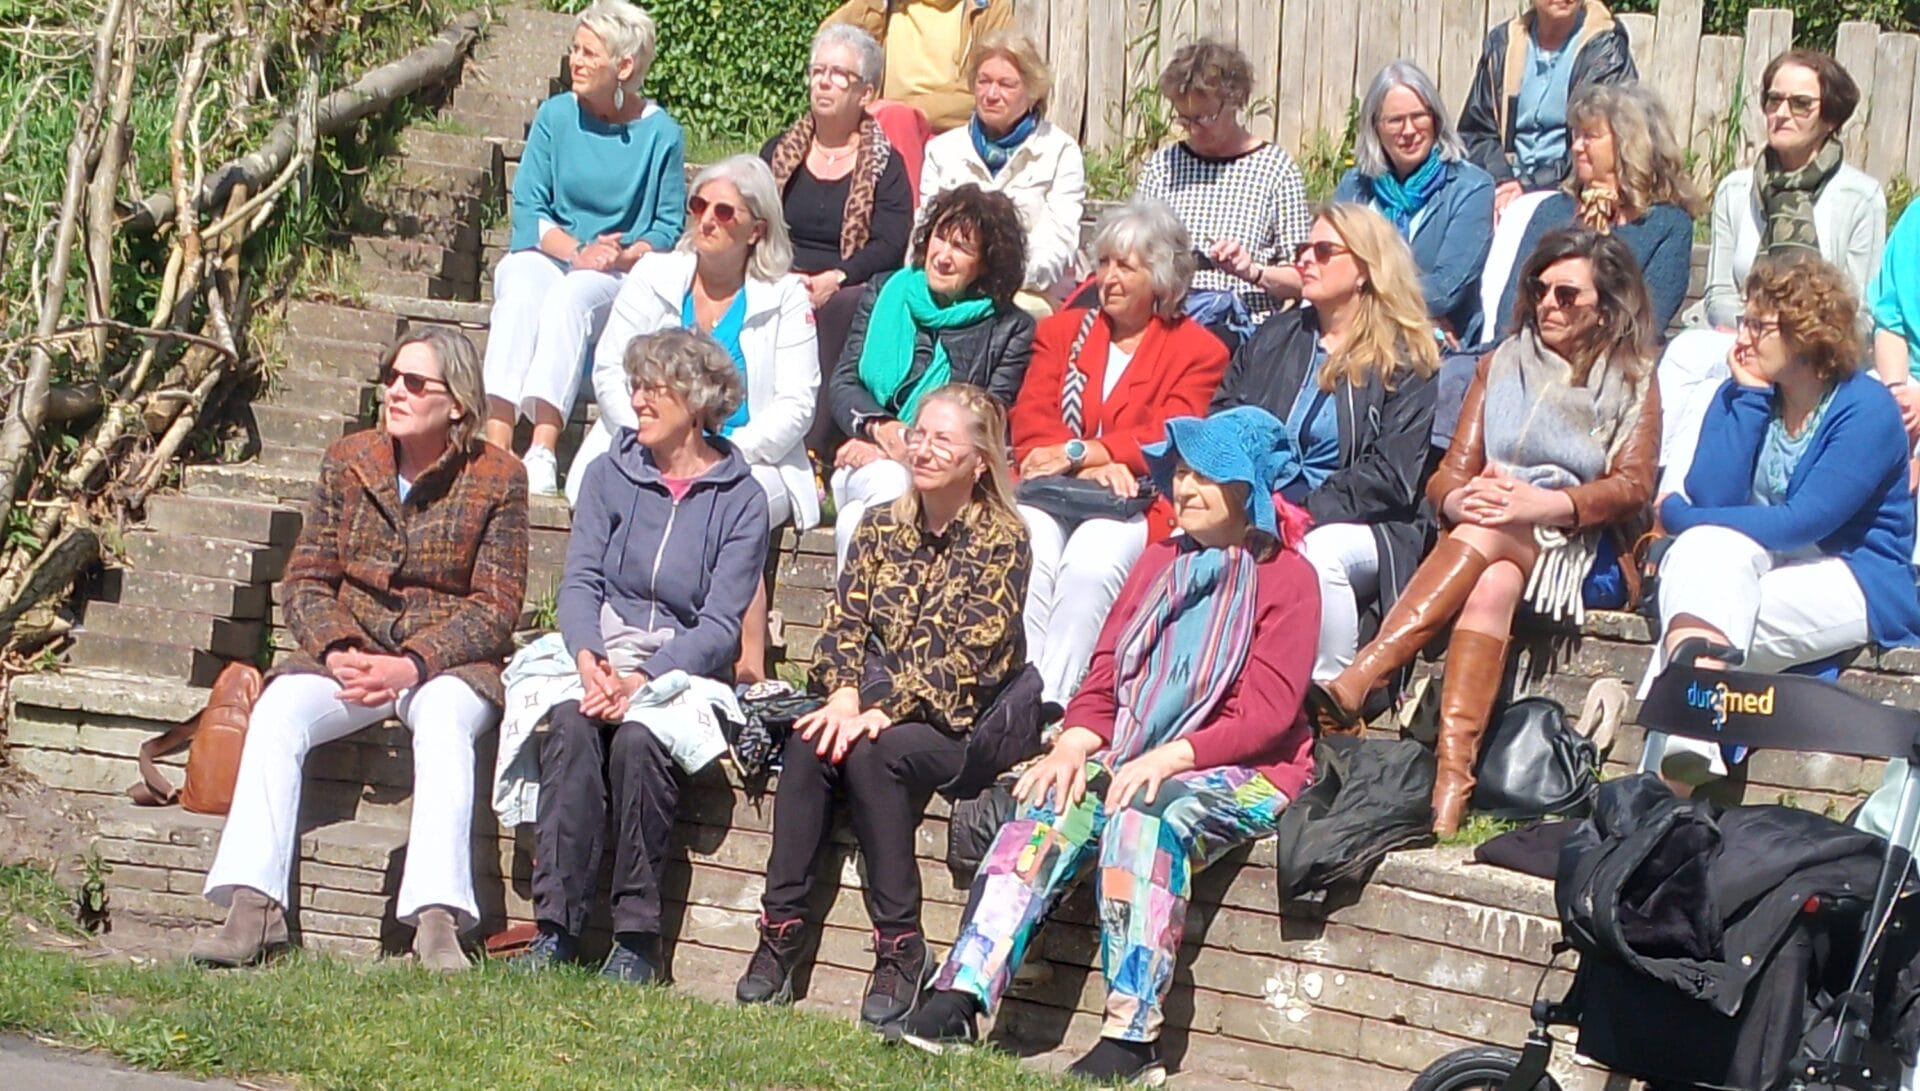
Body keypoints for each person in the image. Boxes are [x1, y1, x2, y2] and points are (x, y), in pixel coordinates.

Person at [898, 406, 1319, 1087]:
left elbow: (1267, 715)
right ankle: (961, 996)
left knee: (1143, 817)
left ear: (1249, 489)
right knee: (1048, 804)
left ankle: (1132, 1037)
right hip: (1135, 749)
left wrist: (1170, 756)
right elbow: (1104, 676)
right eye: (1180, 473)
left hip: (1245, 769)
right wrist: (1073, 743)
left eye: (1205, 476)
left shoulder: (1288, 578)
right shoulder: (1158, 560)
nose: (1184, 487)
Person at [192, 329, 529, 971]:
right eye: (391, 377)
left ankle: (437, 919)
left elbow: (496, 605)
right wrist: (337, 647)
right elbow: (306, 578)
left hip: (446, 662)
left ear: (457, 402)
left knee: (446, 721)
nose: (395, 391)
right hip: (353, 650)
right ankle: (252, 906)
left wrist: (414, 663)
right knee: (278, 711)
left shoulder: (498, 478)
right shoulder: (349, 459)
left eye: (415, 382)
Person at [1311, 228, 1661, 835]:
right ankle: (1451, 788)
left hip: (1582, 547)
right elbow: (1447, 476)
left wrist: (1546, 502)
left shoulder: (1632, 378)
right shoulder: (1501, 364)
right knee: (1494, 579)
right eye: (1539, 289)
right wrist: (1461, 495)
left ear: (1606, 307)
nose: (1548, 304)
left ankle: (1366, 674)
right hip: (1494, 537)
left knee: (1490, 529)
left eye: (1567, 295)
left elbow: (1632, 485)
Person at [736, 384, 1030, 1032]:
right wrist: (844, 691)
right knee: (813, 741)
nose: (922, 449)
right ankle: (780, 928)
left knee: (873, 752)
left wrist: (885, 708)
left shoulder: (1004, 539)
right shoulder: (879, 525)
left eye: (943, 440)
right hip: (868, 705)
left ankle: (901, 944)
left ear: (980, 461)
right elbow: (844, 624)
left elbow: (972, 658)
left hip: (959, 722)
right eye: (919, 434)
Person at [521, 328, 772, 983]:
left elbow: (721, 624)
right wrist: (589, 658)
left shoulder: (742, 499)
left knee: (638, 740)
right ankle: (556, 928)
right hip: (603, 653)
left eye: (654, 388)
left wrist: (642, 679)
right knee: (573, 726)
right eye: (636, 385)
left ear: (697, 399)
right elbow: (580, 581)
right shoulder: (607, 474)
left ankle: (636, 939)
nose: (638, 400)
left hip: (683, 670)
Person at [1643, 256, 1920, 786]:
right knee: (1705, 558)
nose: (1741, 336)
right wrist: (1748, 398)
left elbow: (1801, 524)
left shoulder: (1866, 409)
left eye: (1757, 324)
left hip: (1857, 574)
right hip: (1764, 559)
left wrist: (1679, 515)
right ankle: (1688, 753)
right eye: (1743, 321)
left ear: (1805, 333)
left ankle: (1668, 772)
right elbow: (1716, 494)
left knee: (1703, 610)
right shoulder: (1743, 391)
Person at [575, 155, 818, 681]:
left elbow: (798, 403)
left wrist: (718, 456)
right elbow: (611, 369)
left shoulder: (786, 296)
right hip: (644, 442)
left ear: (757, 229)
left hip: (753, 456)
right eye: (699, 205)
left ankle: (746, 663)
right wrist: (647, 438)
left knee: (738, 501)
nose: (707, 219)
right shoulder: (654, 274)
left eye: (724, 212)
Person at [1212, 203, 1441, 694]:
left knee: (1318, 552)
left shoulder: (1405, 358)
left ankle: (1331, 695)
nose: (1304, 260)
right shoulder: (1276, 336)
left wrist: (1299, 510)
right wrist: (1248, 497)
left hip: (1366, 524)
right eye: (1302, 249)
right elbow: (1225, 414)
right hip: (1262, 504)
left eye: (1322, 251)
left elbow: (1391, 476)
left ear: (1364, 269)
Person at [1011, 198, 1231, 705]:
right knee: (1031, 545)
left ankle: (1054, 702)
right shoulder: (1061, 332)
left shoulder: (1199, 351)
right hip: (1051, 488)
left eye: (1125, 267)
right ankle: (1018, 693)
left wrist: (1089, 454)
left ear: (1161, 278)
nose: (1108, 278)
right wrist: (1086, 463)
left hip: (1138, 498)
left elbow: (1170, 432)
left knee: (1092, 559)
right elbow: (1032, 419)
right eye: (1104, 262)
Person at [481, 0, 685, 495]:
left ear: (625, 66)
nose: (576, 60)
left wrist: (621, 255)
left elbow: (666, 228)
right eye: (575, 49)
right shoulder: (555, 116)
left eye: (590, 53)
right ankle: (496, 442)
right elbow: (529, 209)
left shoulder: (662, 134)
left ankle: (542, 447)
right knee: (518, 279)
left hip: (618, 271)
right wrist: (577, 252)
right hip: (559, 253)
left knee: (573, 295)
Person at [1659, 50, 1882, 492]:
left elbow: (1861, 311)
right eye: (1773, 100)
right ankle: (1655, 485)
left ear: (1830, 117)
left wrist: (1787, 337)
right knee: (1689, 352)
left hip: (1819, 349)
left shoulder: (1859, 197)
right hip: (1743, 335)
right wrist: (1752, 333)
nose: (1781, 113)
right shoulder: (1736, 189)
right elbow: (1720, 292)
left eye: (1800, 104)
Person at [828, 185, 1034, 569]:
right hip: (865, 451)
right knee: (887, 486)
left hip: (950, 471)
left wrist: (909, 447)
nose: (943, 256)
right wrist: (881, 429)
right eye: (940, 238)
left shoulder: (1010, 328)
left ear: (986, 263)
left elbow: (987, 417)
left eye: (962, 248)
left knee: (857, 520)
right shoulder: (885, 290)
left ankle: (866, 607)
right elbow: (844, 383)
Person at [761, 22, 914, 448]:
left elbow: (890, 244)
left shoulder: (885, 164)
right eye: (818, 71)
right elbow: (752, 220)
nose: (823, 82)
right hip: (777, 271)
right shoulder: (777, 152)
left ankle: (816, 443)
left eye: (838, 74)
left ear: (866, 93)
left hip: (845, 282)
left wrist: (836, 277)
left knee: (844, 306)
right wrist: (781, 274)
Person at [1492, 81, 1700, 336]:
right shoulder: (1552, 211)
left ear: (1628, 144)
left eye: (1589, 136)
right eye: (1576, 135)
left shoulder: (1666, 225)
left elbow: (1647, 324)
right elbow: (1512, 308)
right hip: (1530, 350)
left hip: (1613, 356)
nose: (1576, 146)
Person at [1137, 40, 1312, 340]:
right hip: (1167, 321)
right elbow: (1133, 252)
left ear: (1234, 101)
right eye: (1184, 119)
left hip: (1243, 329)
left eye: (1204, 118)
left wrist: (1252, 271)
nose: (1193, 129)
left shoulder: (1275, 169)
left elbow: (1304, 278)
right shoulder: (1163, 166)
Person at [917, 31, 1085, 314]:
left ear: (1032, 93)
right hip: (951, 285)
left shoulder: (1061, 152)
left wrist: (994, 276)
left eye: (1006, 84)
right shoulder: (942, 150)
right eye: (984, 81)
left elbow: (1057, 242)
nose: (991, 94)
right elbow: (925, 228)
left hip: (1028, 291)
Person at [1335, 61, 1496, 345]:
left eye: (1419, 116)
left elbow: (1444, 290)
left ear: (1435, 119)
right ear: (1375, 127)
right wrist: (1403, 311)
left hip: (1440, 345)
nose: (1409, 130)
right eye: (1395, 120)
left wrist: (1359, 291)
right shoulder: (1355, 187)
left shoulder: (1471, 188)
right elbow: (1331, 266)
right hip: (1358, 335)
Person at [1458, 0, 1638, 220]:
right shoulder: (1503, 45)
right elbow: (1476, 132)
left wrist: (1527, 187)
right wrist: (1503, 182)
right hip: (1504, 191)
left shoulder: (1605, 49)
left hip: (1575, 193)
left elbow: (1603, 145)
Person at [823, 0, 1013, 135]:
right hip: (881, 130)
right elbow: (828, 47)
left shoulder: (988, 7)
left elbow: (985, 90)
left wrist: (903, 113)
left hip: (952, 135)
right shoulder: (888, 6)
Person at [1870, 200, 1920, 557]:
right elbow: (1890, 322)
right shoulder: (1916, 219)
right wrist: (1896, 392)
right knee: (1866, 413)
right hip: (1905, 375)